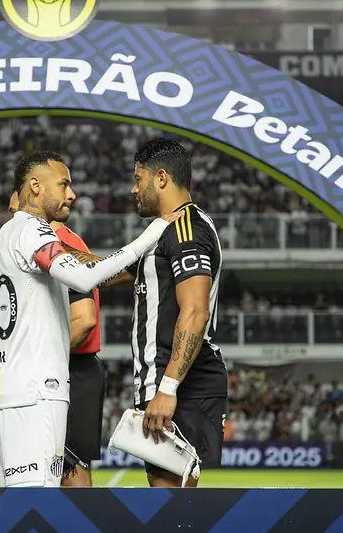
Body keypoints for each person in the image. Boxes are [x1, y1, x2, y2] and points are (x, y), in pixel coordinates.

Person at [0, 151, 181, 488]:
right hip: (35, 390)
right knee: (35, 498)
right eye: (63, 185)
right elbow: (82, 277)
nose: (72, 194)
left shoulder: (8, 232)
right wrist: (149, 238)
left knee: (10, 498)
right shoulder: (33, 229)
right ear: (36, 185)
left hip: (6, 384)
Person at [67, 138, 228, 487]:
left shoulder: (186, 230)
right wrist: (47, 246)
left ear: (162, 178)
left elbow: (195, 312)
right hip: (167, 381)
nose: (133, 189)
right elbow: (103, 272)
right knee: (166, 497)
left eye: (138, 179)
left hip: (182, 384)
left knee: (171, 501)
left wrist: (168, 388)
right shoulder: (165, 232)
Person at [8, 191, 103, 487]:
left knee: (68, 467)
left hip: (68, 369)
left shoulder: (60, 244)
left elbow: (84, 320)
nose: (13, 217)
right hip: (61, 367)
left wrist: (41, 359)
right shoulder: (39, 241)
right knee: (49, 464)